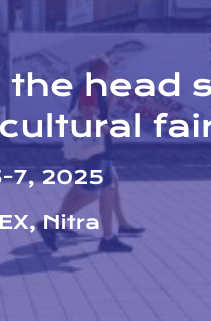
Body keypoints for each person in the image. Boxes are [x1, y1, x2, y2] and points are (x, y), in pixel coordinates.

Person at [37, 58, 143, 253]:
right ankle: (52, 224)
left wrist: (112, 98)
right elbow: (89, 119)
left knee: (108, 188)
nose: (109, 77)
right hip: (91, 150)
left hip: (95, 149)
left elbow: (99, 115)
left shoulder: (93, 88)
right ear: (102, 72)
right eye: (108, 73)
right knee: (91, 193)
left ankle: (108, 237)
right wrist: (112, 131)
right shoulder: (89, 89)